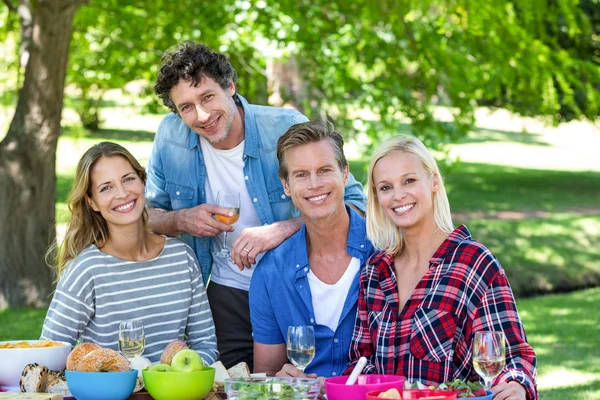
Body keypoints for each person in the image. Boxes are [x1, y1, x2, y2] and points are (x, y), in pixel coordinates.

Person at [146, 42, 366, 369]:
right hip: (225, 289)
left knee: (299, 381)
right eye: (186, 107)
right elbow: (148, 215)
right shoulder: (170, 138)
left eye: (207, 97)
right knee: (231, 386)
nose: (202, 115)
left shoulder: (283, 126)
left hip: (293, 286)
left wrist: (282, 229)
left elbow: (354, 203)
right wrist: (182, 219)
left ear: (230, 87)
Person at [346, 135, 538, 400]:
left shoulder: (473, 263)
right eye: (385, 187)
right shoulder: (374, 272)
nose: (398, 195)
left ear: (433, 181)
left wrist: (517, 385)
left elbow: (513, 357)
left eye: (409, 181)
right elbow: (360, 362)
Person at [41, 142, 217, 365]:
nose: (122, 194)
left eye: (128, 179)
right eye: (106, 187)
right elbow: (50, 353)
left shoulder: (182, 257)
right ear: (92, 202)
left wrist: (176, 378)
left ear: (143, 181)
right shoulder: (87, 269)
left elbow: (206, 345)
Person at [249, 121, 375, 378]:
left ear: (345, 174)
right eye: (301, 175)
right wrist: (279, 382)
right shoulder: (270, 273)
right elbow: (267, 374)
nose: (314, 184)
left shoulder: (386, 250)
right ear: (286, 185)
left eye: (324, 170)